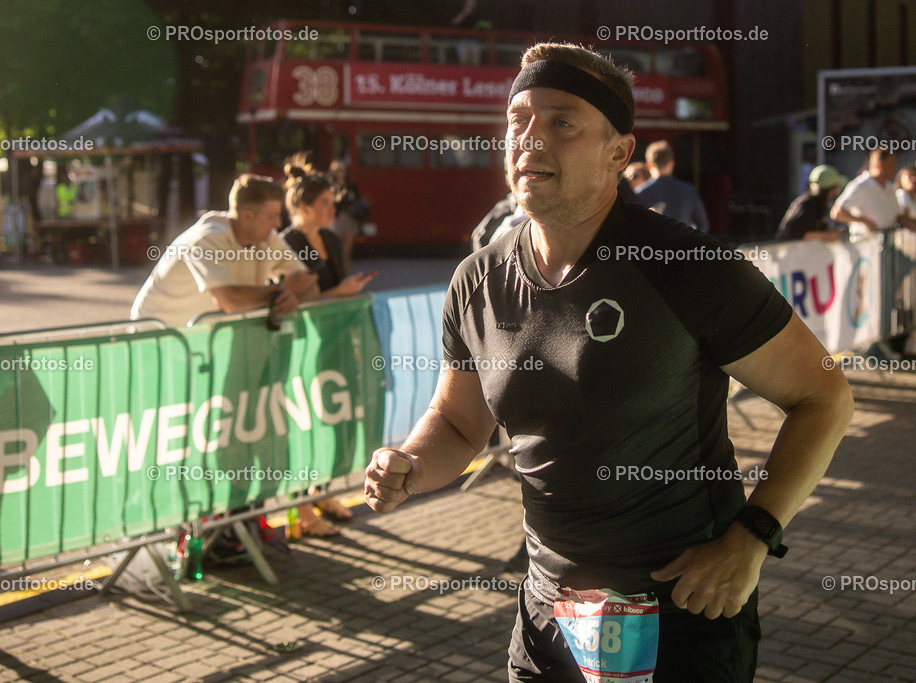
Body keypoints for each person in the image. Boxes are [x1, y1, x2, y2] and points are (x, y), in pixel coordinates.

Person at [364, 42, 854, 681]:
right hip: (547, 612)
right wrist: (410, 462)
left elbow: (824, 398)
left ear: (619, 153)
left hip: (681, 610)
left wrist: (754, 536)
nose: (530, 138)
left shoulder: (688, 269)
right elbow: (459, 425)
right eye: (519, 119)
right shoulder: (478, 278)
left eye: (562, 121)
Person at [280, 157, 375, 536]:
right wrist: (342, 292)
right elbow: (295, 301)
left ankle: (321, 492)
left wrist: (347, 295)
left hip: (334, 343)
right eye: (324, 204)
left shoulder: (333, 239)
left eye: (333, 203)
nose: (332, 209)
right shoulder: (289, 242)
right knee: (304, 424)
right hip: (301, 348)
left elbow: (334, 290)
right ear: (303, 207)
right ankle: (299, 509)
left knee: (333, 422)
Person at [130, 174, 319, 327]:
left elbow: (309, 285)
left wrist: (291, 297)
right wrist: (280, 292)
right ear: (247, 216)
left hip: (194, 336)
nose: (278, 224)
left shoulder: (267, 237)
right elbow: (231, 301)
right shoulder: (207, 239)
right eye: (272, 217)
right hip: (155, 333)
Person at [830, 150, 916, 238]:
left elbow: (896, 216)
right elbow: (837, 213)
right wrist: (865, 221)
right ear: (880, 165)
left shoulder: (890, 188)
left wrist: (909, 222)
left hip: (886, 246)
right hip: (865, 246)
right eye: (892, 164)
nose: (895, 168)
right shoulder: (861, 186)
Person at [633, 140, 710, 232]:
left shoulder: (639, 194)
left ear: (649, 165)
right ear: (672, 163)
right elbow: (702, 225)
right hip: (680, 244)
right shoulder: (688, 191)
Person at [775, 164, 848, 242]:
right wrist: (829, 235)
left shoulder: (818, 203)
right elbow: (796, 233)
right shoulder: (810, 204)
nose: (839, 190)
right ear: (831, 189)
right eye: (837, 187)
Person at [328, 159, 366, 272]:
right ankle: (336, 275)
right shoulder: (330, 186)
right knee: (335, 250)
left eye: (342, 170)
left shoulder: (351, 186)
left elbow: (358, 201)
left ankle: (345, 275)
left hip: (349, 219)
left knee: (347, 251)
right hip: (335, 219)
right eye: (338, 170)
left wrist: (350, 198)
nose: (340, 172)